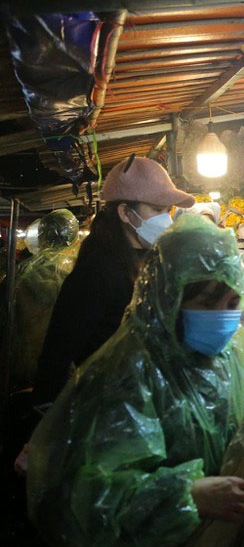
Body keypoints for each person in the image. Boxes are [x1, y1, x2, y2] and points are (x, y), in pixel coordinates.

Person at [26, 215, 244, 547]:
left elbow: (243, 431)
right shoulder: (125, 372)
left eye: (232, 304)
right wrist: (187, 495)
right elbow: (87, 500)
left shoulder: (229, 358)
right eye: (208, 303)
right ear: (168, 295)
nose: (224, 318)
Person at [32, 156, 195, 410]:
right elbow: (56, 357)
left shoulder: (153, 261)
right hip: (111, 411)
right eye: (156, 210)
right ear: (125, 213)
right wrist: (46, 430)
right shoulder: (96, 273)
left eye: (168, 211)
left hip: (152, 403)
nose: (166, 220)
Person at [9, 209, 80, 391]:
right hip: (64, 368)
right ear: (73, 237)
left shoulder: (22, 270)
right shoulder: (79, 270)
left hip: (21, 368)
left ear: (41, 235)